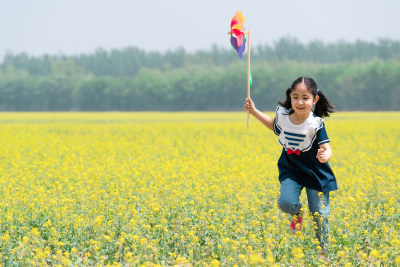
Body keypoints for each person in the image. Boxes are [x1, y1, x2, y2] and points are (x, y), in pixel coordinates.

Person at [244, 76, 337, 252]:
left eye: (305, 98)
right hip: (291, 169)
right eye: (295, 97)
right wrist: (254, 111)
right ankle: (297, 213)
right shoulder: (284, 116)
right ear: (290, 96)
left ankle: (323, 251)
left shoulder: (315, 123)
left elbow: (327, 147)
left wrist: (326, 155)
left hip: (315, 171)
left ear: (315, 99)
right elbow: (274, 126)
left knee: (320, 214)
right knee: (285, 203)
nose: (299, 102)